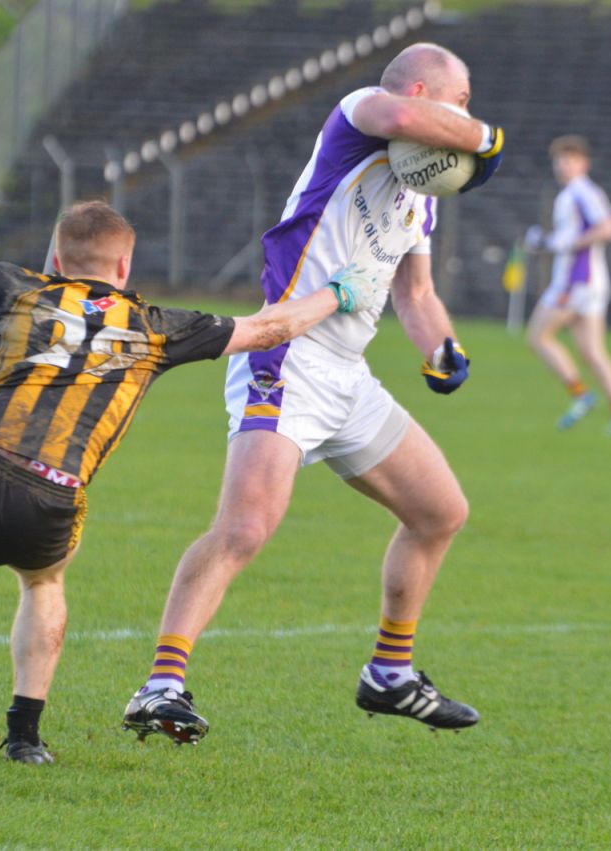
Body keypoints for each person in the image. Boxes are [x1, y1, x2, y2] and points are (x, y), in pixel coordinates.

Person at [0, 188, 381, 764]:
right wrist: (337, 293)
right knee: (43, 584)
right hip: (54, 489)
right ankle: (25, 737)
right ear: (124, 266)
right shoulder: (157, 326)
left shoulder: (12, 289)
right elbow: (268, 329)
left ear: (56, 257)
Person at [119, 42, 504, 744]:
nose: (469, 112)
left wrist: (441, 348)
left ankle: (389, 673)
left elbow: (416, 294)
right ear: (422, 92)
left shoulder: (422, 191)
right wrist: (487, 139)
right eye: (463, 98)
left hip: (348, 373)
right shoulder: (362, 113)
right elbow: (403, 114)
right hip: (285, 353)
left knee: (440, 511)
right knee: (245, 527)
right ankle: (161, 685)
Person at [523, 135, 611, 435]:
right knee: (592, 351)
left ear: (583, 163)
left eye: (569, 159)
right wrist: (550, 242)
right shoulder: (579, 193)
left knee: (538, 336)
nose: (562, 165)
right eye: (559, 160)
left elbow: (608, 227)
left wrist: (565, 243)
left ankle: (581, 395)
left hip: (575, 281)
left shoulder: (579, 193)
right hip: (593, 283)